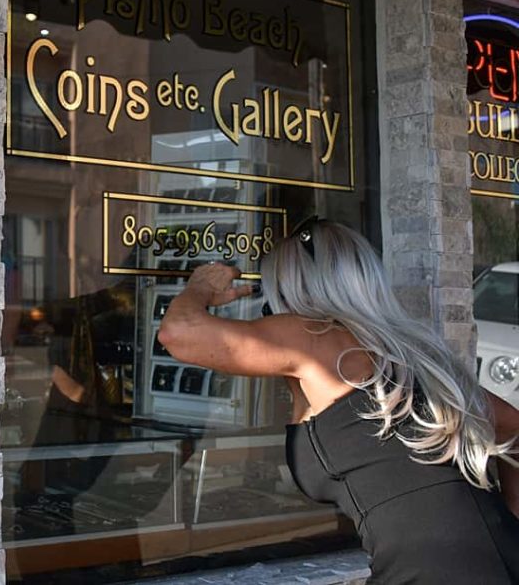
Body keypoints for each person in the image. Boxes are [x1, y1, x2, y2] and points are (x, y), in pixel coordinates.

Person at [158, 218, 519, 584]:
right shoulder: (412, 360)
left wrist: (200, 288)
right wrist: (505, 521)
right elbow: (513, 427)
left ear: (289, 290)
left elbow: (179, 334)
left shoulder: (314, 335)